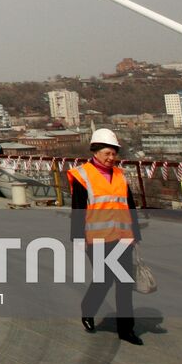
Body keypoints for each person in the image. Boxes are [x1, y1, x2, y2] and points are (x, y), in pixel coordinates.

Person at [69, 128, 143, 345]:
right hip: (97, 238)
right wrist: (78, 238)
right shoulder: (82, 175)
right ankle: (88, 309)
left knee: (124, 282)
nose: (111, 158)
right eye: (107, 154)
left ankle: (126, 330)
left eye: (113, 154)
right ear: (95, 152)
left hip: (122, 236)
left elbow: (129, 206)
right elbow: (78, 209)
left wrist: (135, 233)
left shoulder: (120, 175)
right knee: (104, 280)